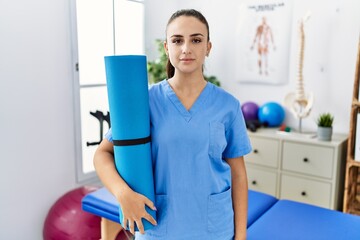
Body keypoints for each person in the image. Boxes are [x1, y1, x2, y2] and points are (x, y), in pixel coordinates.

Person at [94, 9, 252, 240]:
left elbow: (238, 174)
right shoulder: (144, 101)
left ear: (208, 47)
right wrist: (123, 194)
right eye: (177, 40)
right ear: (167, 48)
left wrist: (241, 237)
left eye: (196, 40)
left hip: (215, 228)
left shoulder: (228, 106)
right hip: (159, 228)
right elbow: (102, 154)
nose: (186, 48)